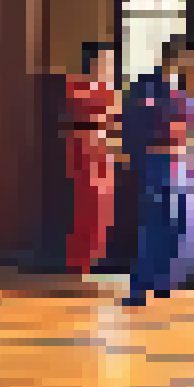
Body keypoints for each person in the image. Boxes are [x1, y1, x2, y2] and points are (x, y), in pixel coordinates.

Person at [122, 34, 194, 306]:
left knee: (182, 226)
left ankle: (165, 281)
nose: (192, 66)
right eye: (189, 60)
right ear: (175, 57)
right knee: (156, 223)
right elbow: (141, 121)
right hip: (156, 161)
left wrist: (192, 90)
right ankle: (139, 286)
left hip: (182, 162)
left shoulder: (188, 89)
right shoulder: (146, 86)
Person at [63, 40, 122, 278]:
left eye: (110, 61)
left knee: (104, 208)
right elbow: (86, 111)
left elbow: (116, 119)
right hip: (83, 149)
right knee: (84, 208)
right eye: (104, 60)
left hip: (104, 149)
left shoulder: (111, 90)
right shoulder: (74, 84)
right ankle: (79, 262)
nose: (108, 65)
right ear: (92, 61)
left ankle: (96, 259)